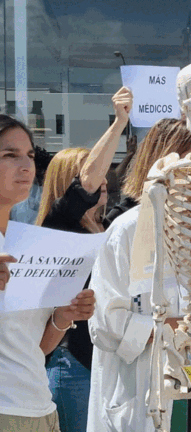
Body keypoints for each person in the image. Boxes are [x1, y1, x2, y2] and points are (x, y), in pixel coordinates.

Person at [86, 118, 191, 432]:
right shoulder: (128, 231)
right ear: (161, 163)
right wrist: (179, 326)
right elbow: (105, 325)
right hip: (146, 392)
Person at [38, 87, 131, 432]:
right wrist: (119, 122)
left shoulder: (111, 226)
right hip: (73, 363)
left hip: (108, 360)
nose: (102, 179)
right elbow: (86, 186)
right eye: (92, 171)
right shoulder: (58, 230)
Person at [0, 114, 95, 432]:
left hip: (40, 411)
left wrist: (64, 316)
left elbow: (36, 347)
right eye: (9, 155)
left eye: (28, 155)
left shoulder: (22, 242)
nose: (25, 167)